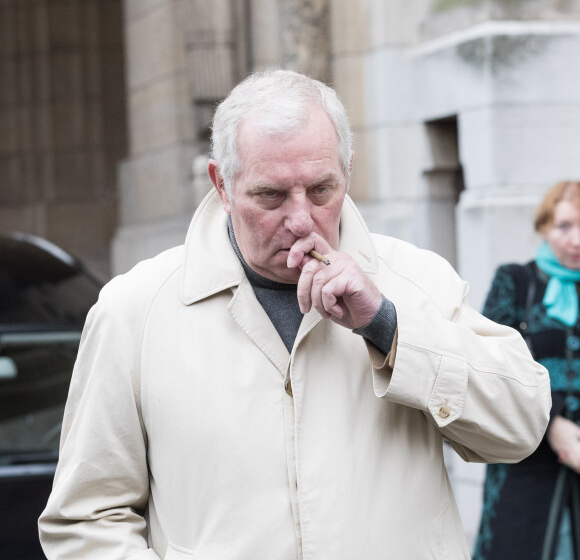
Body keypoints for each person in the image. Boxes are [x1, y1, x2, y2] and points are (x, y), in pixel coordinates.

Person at [39, 70, 550, 560]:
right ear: (221, 184)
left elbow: (522, 423)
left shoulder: (417, 279)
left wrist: (388, 327)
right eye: (271, 195)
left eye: (322, 189)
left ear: (347, 171)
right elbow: (86, 518)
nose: (301, 218)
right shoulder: (134, 309)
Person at [473, 181, 580, 560]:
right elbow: (489, 366)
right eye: (564, 226)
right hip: (526, 464)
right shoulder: (515, 282)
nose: (576, 239)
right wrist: (552, 424)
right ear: (543, 228)